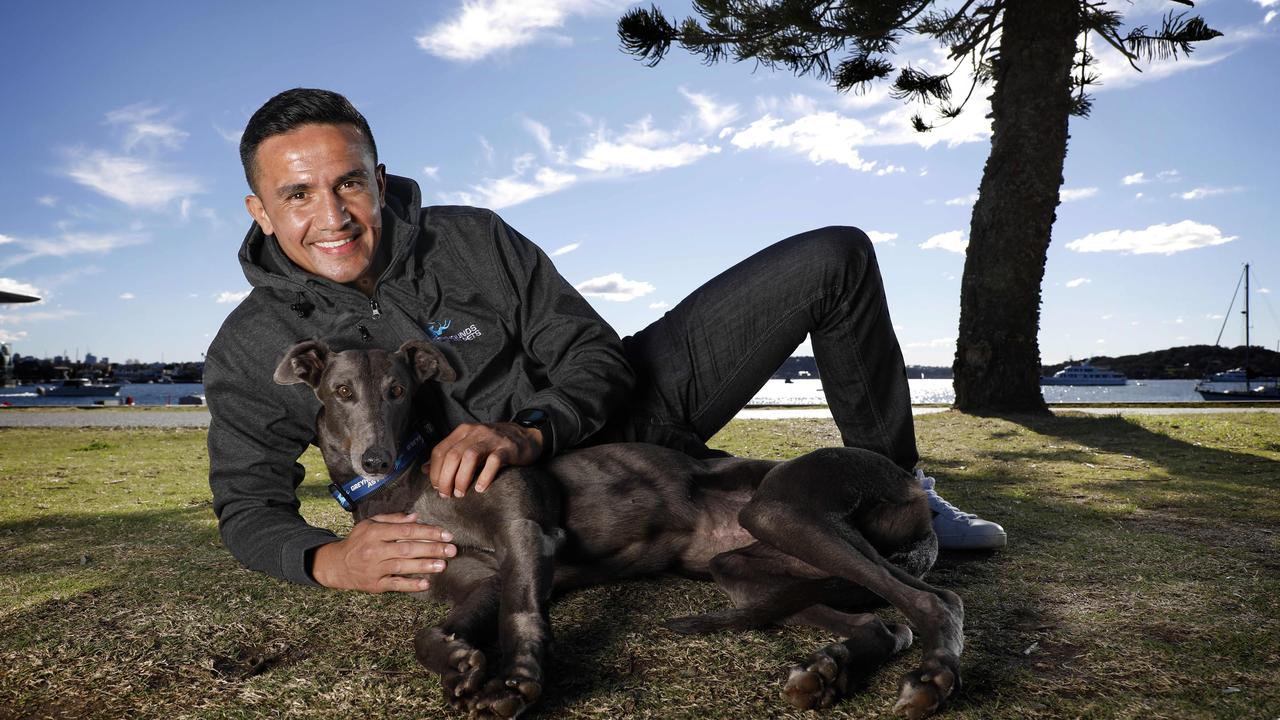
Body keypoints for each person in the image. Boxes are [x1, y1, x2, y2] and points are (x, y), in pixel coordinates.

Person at [206, 88, 1004, 595]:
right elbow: (248, 506)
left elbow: (594, 355)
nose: (334, 215)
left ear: (379, 180)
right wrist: (327, 561)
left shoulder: (473, 239)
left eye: (349, 181)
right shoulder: (253, 346)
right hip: (533, 510)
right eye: (298, 194)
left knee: (835, 254)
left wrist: (527, 428)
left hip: (635, 419)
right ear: (261, 211)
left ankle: (903, 485)